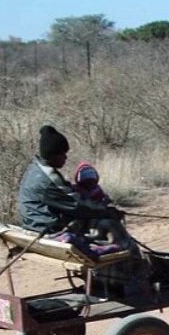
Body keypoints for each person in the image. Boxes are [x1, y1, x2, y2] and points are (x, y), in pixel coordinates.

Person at [18, 125, 149, 296]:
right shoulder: (48, 179)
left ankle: (112, 275)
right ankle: (135, 272)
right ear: (53, 155)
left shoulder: (34, 169)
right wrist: (107, 212)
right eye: (63, 154)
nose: (65, 158)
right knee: (108, 223)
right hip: (48, 229)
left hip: (35, 226)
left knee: (99, 219)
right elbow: (77, 205)